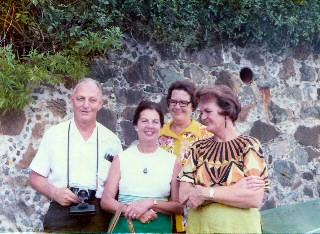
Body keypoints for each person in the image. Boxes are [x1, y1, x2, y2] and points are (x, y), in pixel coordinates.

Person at [29, 78, 123, 232]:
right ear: (71, 100)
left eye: (92, 100)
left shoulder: (112, 141)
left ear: (101, 104)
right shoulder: (54, 135)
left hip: (99, 215)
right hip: (60, 212)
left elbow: (119, 185)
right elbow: (35, 178)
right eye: (80, 99)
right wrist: (54, 192)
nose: (86, 105)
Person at [179, 85, 270, 233]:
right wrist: (233, 190)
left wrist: (206, 193)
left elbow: (253, 199)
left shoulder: (249, 146)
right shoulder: (198, 149)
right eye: (201, 112)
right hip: (201, 229)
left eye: (208, 111)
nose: (203, 117)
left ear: (226, 111)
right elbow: (183, 196)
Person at [101, 100, 183, 233]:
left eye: (155, 122)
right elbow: (106, 200)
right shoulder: (121, 158)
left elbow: (179, 206)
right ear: (135, 125)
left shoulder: (173, 162)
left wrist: (151, 203)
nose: (149, 126)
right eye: (144, 121)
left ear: (161, 127)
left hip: (159, 228)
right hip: (125, 227)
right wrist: (136, 212)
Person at [157, 79, 212, 232]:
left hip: (194, 212)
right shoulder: (158, 136)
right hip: (163, 212)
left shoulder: (205, 135)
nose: (177, 107)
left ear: (193, 106)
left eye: (183, 103)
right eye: (173, 102)